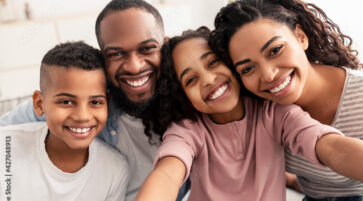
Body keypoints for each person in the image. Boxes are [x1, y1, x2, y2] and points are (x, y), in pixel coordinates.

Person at [134, 27, 363, 201]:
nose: (209, 79)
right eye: (191, 79)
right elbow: (168, 173)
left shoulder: (274, 112)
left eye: (213, 62)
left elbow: (328, 145)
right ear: (183, 96)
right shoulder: (188, 130)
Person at [0, 1, 188, 200]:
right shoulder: (81, 100)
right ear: (103, 60)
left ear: (165, 47)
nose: (134, 66)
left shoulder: (189, 105)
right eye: (116, 54)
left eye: (147, 48)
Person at [209, 0, 363, 200]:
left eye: (275, 50)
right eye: (247, 69)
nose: (268, 75)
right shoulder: (263, 111)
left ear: (301, 37)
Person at [0, 41, 128, 201]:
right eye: (66, 102)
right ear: (39, 104)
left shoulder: (114, 169)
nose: (83, 116)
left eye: (95, 102)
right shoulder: (5, 145)